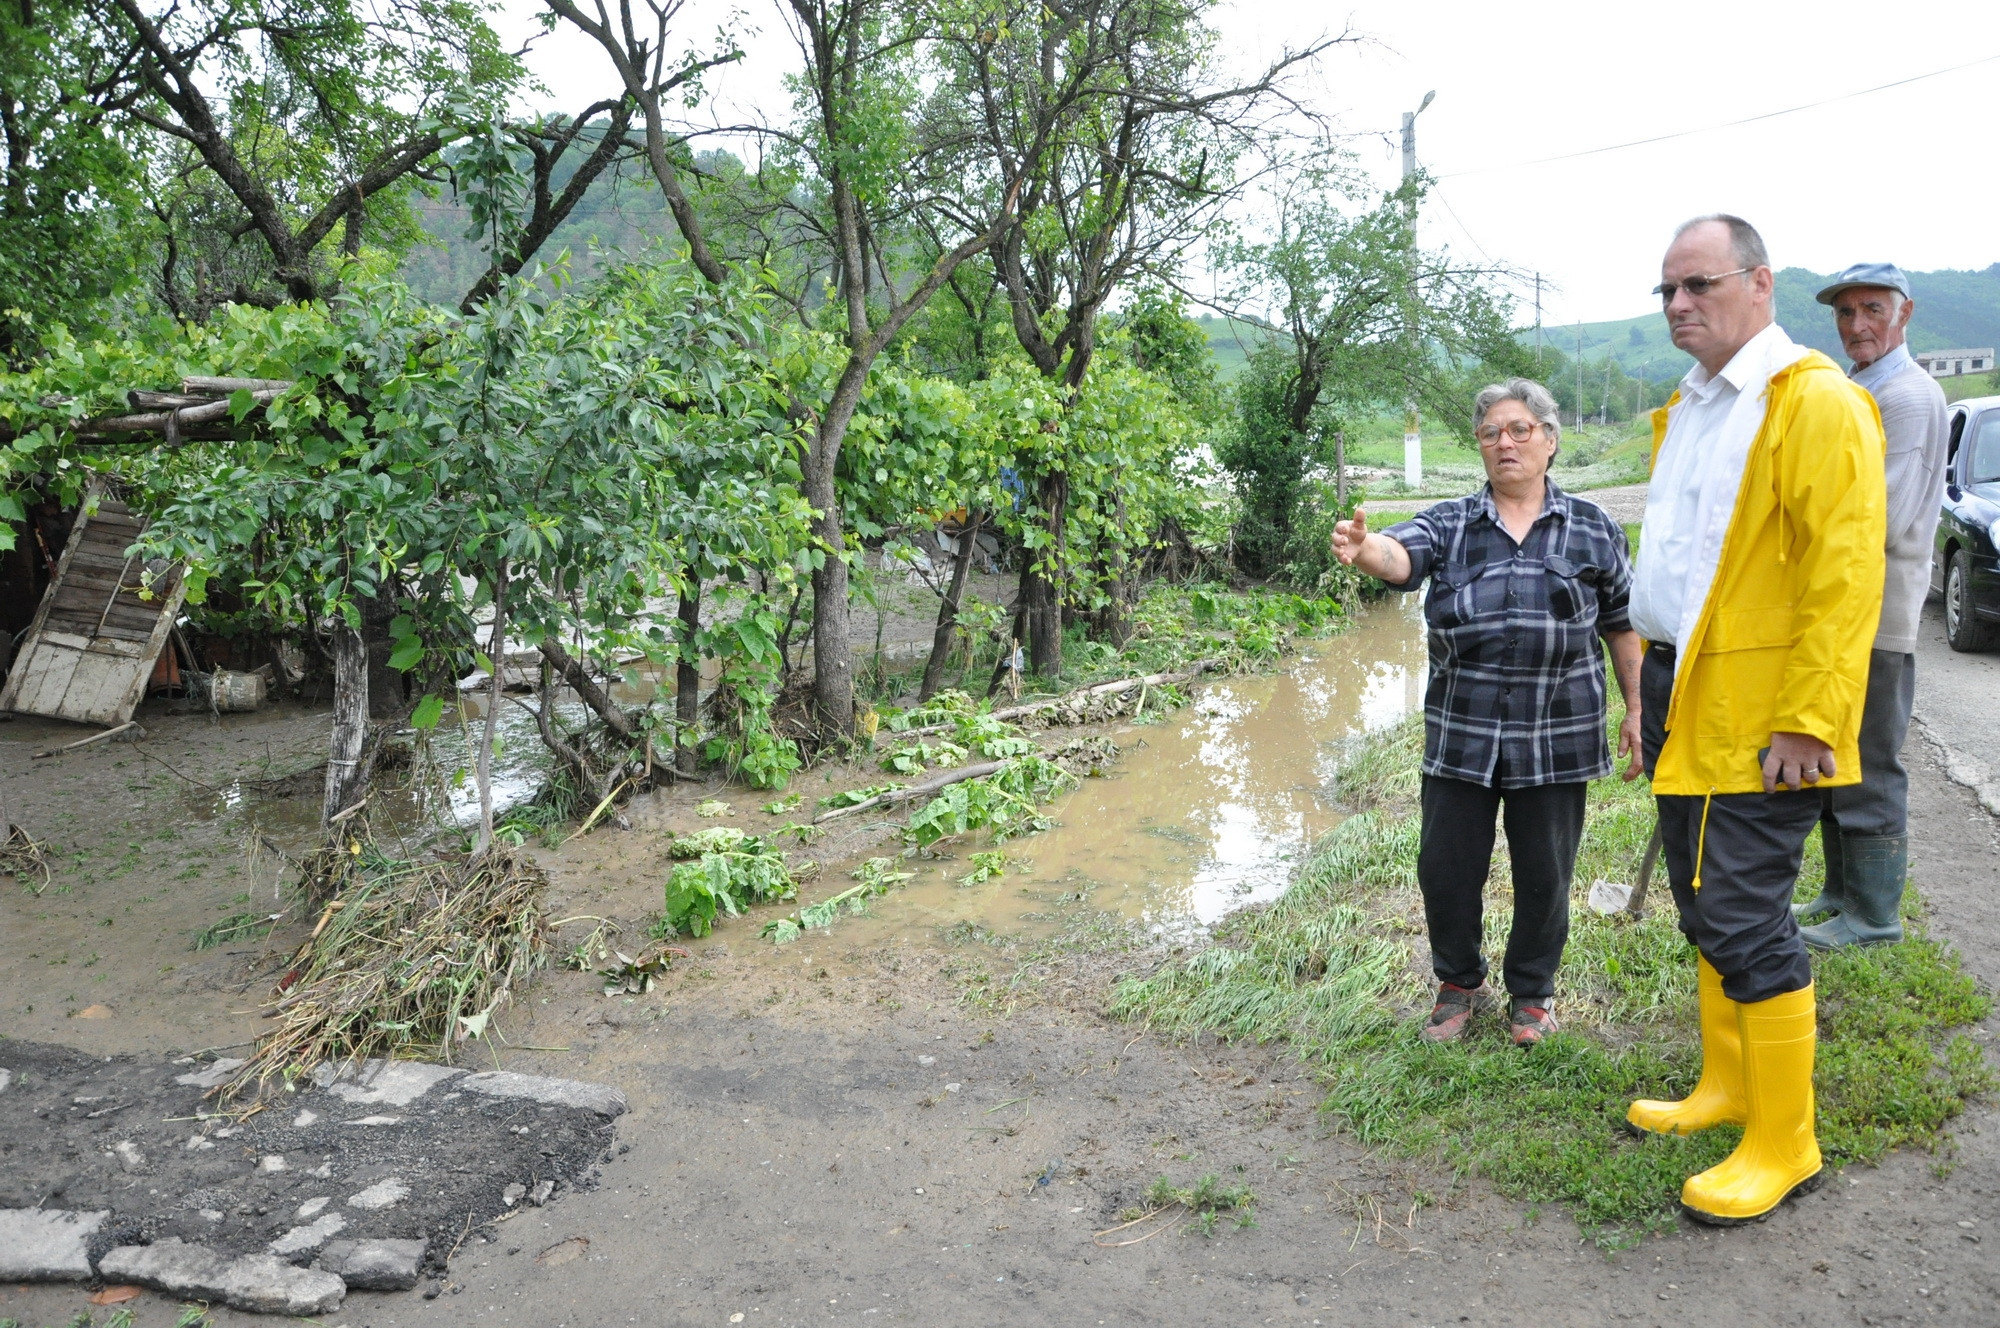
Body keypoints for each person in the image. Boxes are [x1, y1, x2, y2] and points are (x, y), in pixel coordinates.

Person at [1623, 215, 1886, 1225]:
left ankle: (1786, 1140)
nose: (1678, 303)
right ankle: (1726, 1087)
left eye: (1699, 283)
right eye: (1667, 290)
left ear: (1760, 283)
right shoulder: (1693, 405)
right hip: (1683, 684)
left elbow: (1844, 573)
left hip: (1767, 710)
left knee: (1740, 907)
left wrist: (1810, 717)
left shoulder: (1811, 400)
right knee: (1699, 899)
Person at [1331, 378, 1644, 1049]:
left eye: (1519, 429)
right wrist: (1366, 549)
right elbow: (1401, 555)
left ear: (1549, 441)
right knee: (1446, 869)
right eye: (1490, 432)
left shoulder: (1593, 527)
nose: (1505, 442)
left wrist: (1637, 709)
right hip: (1463, 734)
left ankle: (1532, 994)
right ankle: (1459, 984)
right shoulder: (1451, 522)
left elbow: (1622, 625)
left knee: (1546, 873)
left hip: (1557, 734)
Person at [1789, 264, 1948, 948]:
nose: (1857, 324)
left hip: (1877, 618)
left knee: (1872, 762)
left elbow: (1876, 520)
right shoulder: (1863, 387)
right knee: (1836, 757)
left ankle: (1875, 916)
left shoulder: (1907, 396)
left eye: (1872, 309)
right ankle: (1841, 891)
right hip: (1843, 615)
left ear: (1904, 313)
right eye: (1846, 311)